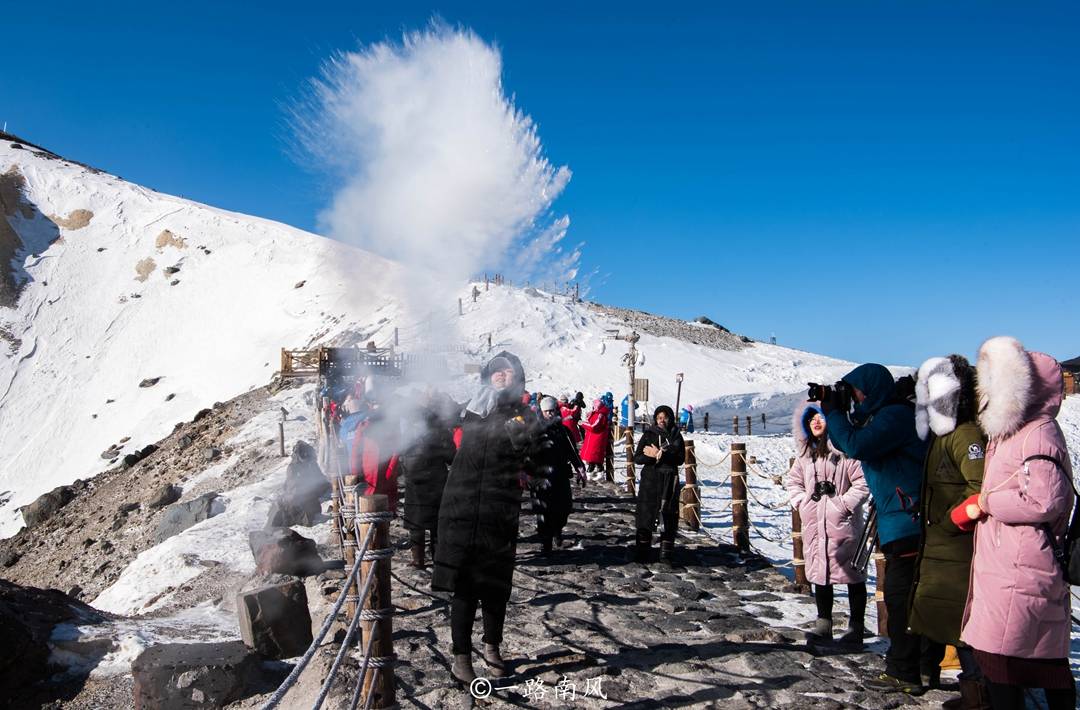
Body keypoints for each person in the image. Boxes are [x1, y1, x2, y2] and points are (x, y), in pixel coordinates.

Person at [958, 338, 1075, 710]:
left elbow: (1044, 499)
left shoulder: (1038, 432)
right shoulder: (1014, 432)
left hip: (1023, 565)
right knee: (1015, 660)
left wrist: (987, 502)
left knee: (1017, 663)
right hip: (1010, 563)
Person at [433, 352, 547, 684]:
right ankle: (461, 656)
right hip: (462, 507)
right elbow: (442, 437)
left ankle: (492, 647)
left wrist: (522, 438)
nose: (501, 376)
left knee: (495, 585)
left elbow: (536, 459)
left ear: (519, 378)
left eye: (509, 372)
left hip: (499, 508)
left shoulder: (526, 415)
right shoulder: (471, 408)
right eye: (496, 371)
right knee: (464, 585)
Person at [822, 363, 932, 694]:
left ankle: (906, 671)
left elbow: (855, 445)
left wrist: (833, 410)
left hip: (907, 519)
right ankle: (920, 667)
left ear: (870, 390)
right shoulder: (886, 414)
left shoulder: (895, 416)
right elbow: (850, 437)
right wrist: (837, 409)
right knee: (907, 597)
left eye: (854, 391)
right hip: (898, 517)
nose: (852, 397)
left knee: (902, 598)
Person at [908, 355, 989, 709]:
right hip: (941, 547)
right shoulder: (946, 435)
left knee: (964, 625)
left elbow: (981, 490)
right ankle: (943, 680)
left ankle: (979, 695)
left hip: (958, 549)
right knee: (940, 615)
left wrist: (952, 519)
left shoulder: (966, 434)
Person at [786, 403, 869, 648]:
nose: (816, 421)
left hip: (842, 525)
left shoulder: (846, 452)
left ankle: (856, 627)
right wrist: (803, 503)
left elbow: (862, 483)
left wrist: (841, 505)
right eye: (811, 418)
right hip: (815, 525)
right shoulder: (805, 455)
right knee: (821, 573)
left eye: (821, 416)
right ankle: (824, 623)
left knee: (853, 574)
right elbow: (794, 482)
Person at [400, 391, 458, 568]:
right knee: (436, 523)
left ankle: (418, 560)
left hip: (414, 477)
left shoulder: (409, 424)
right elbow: (450, 456)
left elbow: (401, 448)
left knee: (415, 523)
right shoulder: (440, 428)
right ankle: (437, 559)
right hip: (435, 479)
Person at [632, 405, 686, 565]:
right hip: (650, 480)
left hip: (669, 480)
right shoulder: (649, 435)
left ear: (670, 418)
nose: (662, 420)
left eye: (665, 417)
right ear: (656, 419)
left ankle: (666, 555)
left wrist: (664, 455)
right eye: (659, 417)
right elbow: (638, 457)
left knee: (668, 515)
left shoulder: (676, 435)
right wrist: (653, 457)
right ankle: (642, 553)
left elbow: (680, 458)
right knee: (646, 515)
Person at [534, 396, 584, 552]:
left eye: (553, 411)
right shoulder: (534, 431)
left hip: (561, 474)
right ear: (541, 412)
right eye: (547, 411)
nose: (550, 414)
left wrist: (579, 467)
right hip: (541, 476)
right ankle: (545, 541)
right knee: (543, 510)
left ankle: (557, 528)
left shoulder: (564, 430)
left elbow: (572, 451)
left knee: (564, 507)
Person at [580, 398, 610, 481]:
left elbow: (594, 427)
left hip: (596, 439)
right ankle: (594, 473)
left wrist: (582, 423)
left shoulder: (600, 415)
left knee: (594, 457)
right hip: (593, 438)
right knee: (593, 458)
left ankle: (594, 473)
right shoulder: (598, 413)